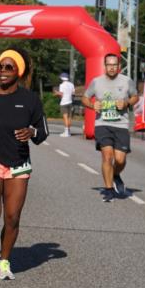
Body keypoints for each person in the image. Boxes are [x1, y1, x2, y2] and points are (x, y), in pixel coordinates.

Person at [0, 49, 48, 280]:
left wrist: (32, 131)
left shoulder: (30, 100)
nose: (2, 72)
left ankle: (4, 260)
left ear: (19, 72)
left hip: (18, 162)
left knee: (12, 216)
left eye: (8, 67)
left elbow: (42, 132)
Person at [82, 54, 138, 202]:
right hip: (103, 124)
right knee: (107, 156)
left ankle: (115, 174)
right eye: (109, 65)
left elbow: (135, 96)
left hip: (121, 124)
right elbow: (85, 98)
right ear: (105, 66)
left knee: (120, 160)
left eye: (114, 65)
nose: (112, 67)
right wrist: (92, 105)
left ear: (119, 66)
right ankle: (108, 190)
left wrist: (126, 103)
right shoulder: (97, 82)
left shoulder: (127, 81)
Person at [57, 72, 76, 137]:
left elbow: (61, 94)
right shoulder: (72, 84)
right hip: (70, 102)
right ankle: (68, 132)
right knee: (70, 117)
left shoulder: (61, 85)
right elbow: (73, 93)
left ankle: (66, 132)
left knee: (65, 118)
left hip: (64, 103)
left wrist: (56, 93)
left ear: (62, 78)